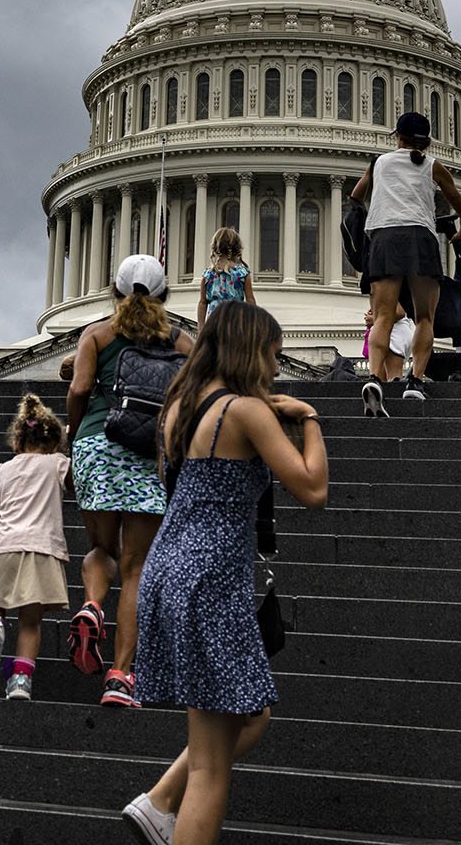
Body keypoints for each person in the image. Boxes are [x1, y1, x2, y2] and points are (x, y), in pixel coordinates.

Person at [123, 301, 329, 845]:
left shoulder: (180, 407)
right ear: (249, 349)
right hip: (210, 580)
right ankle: (167, 808)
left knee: (250, 717)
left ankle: (160, 801)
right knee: (213, 766)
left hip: (170, 569)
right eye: (272, 354)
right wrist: (308, 417)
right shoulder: (244, 411)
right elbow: (312, 489)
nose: (277, 368)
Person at [65, 254, 193, 707]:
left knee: (102, 549)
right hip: (148, 454)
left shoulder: (96, 335)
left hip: (98, 447)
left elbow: (79, 390)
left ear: (114, 292)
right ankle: (120, 677)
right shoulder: (181, 342)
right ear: (164, 295)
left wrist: (74, 435)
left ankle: (92, 606)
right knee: (137, 568)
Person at [350, 111, 461, 412]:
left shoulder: (379, 163)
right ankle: (415, 381)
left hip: (384, 239)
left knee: (383, 317)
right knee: (424, 318)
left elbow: (355, 196)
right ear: (427, 141)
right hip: (421, 238)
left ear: (397, 137)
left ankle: (375, 377)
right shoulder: (433, 166)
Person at [0, 394, 72, 701]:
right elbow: (75, 485)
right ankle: (20, 681)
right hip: (41, 550)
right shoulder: (57, 464)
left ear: (16, 443)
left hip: (2, 547)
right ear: (53, 444)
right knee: (31, 621)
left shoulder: (2, 470)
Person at [195, 227, 255, 328]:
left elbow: (202, 302)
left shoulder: (208, 274)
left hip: (214, 323)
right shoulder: (242, 274)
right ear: (237, 248)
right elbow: (250, 301)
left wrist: (201, 327)